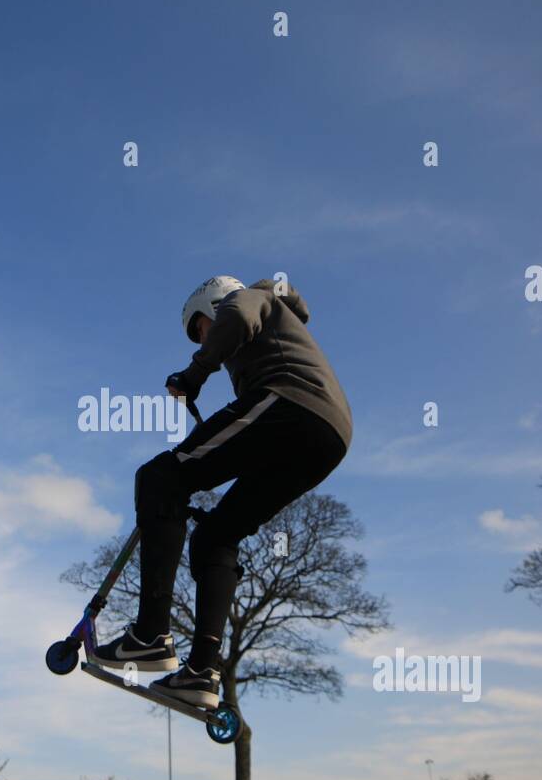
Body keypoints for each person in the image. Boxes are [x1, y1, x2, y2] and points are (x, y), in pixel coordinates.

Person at [92, 276, 353, 710]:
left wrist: (194, 374)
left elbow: (238, 317)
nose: (202, 337)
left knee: (160, 477)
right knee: (215, 536)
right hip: (327, 439)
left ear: (213, 305)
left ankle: (150, 634)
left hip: (293, 403)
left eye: (200, 327)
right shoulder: (271, 340)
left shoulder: (247, 298)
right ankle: (201, 671)